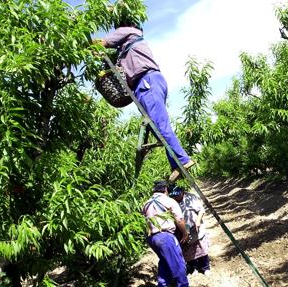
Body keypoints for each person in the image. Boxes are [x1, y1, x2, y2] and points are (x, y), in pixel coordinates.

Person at [96, 19, 194, 181]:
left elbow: (103, 43)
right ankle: (176, 164)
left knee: (160, 124)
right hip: (148, 82)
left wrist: (86, 44)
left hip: (146, 81)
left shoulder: (127, 30)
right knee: (157, 126)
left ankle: (183, 160)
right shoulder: (128, 47)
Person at [142, 180, 189, 287]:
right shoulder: (169, 201)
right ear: (166, 189)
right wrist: (185, 233)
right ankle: (183, 285)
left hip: (152, 238)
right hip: (165, 237)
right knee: (178, 265)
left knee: (164, 261)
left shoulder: (146, 203)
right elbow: (179, 219)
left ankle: (162, 284)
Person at [169, 186, 211, 276]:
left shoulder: (191, 198)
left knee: (201, 247)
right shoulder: (172, 201)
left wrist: (198, 221)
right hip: (183, 229)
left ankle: (205, 267)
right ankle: (193, 267)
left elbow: (201, 210)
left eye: (178, 195)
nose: (176, 198)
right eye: (174, 196)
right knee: (188, 250)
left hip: (195, 227)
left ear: (182, 192)